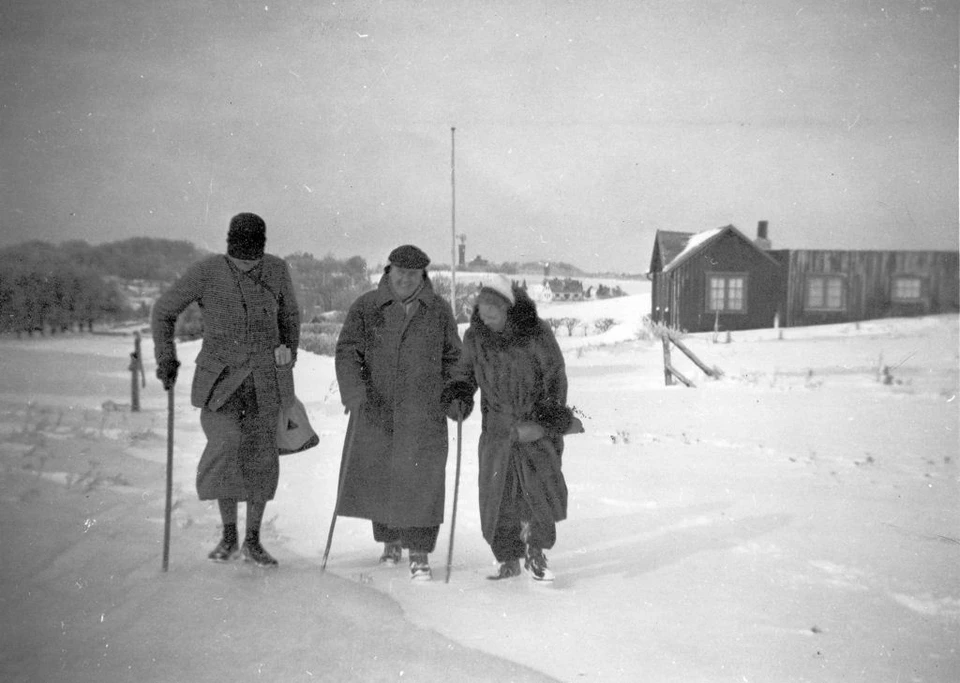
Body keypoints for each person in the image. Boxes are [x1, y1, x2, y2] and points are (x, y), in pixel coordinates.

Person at [152, 212, 300, 568]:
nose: (247, 258)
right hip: (220, 383)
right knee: (227, 445)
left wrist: (288, 352)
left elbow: (290, 318)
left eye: (254, 251)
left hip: (265, 382)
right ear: (229, 243)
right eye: (240, 250)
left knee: (262, 458)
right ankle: (229, 535)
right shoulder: (207, 271)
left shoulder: (277, 270)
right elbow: (163, 311)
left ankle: (252, 540)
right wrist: (166, 358)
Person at [334, 245, 462, 580]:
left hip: (424, 411)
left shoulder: (438, 310)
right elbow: (348, 351)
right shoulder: (367, 306)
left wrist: (456, 395)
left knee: (423, 481)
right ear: (389, 271)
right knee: (381, 476)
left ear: (423, 276)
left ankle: (419, 553)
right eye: (399, 272)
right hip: (377, 408)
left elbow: (455, 359)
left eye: (412, 274)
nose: (405, 279)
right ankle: (390, 541)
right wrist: (354, 391)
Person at [444, 275, 580, 582]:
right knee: (497, 497)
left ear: (509, 308)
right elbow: (463, 374)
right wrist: (459, 395)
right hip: (496, 432)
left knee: (536, 493)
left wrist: (546, 421)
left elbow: (555, 376)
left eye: (493, 311)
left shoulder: (536, 334)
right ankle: (507, 558)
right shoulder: (475, 338)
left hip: (534, 429)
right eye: (481, 310)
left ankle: (535, 554)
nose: (486, 317)